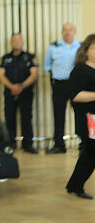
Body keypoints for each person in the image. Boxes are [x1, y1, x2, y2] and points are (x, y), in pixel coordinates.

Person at [0, 33, 39, 153]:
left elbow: (34, 74)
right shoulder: (5, 58)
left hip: (26, 92)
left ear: (23, 42)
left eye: (19, 40)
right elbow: (1, 74)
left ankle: (28, 144)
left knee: (26, 117)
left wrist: (21, 86)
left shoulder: (30, 57)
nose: (17, 42)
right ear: (11, 43)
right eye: (14, 40)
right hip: (9, 92)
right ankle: (10, 143)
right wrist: (12, 87)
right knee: (9, 117)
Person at [65, 34, 95, 199]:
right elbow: (75, 95)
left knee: (89, 155)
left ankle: (75, 185)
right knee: (89, 154)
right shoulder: (80, 70)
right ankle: (75, 186)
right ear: (86, 50)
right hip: (88, 119)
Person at [44, 22, 80, 154]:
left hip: (75, 85)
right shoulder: (54, 47)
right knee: (58, 115)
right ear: (62, 32)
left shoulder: (80, 47)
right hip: (59, 84)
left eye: (70, 30)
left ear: (74, 31)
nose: (68, 32)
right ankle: (59, 145)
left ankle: (83, 144)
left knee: (79, 114)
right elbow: (47, 65)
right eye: (65, 30)